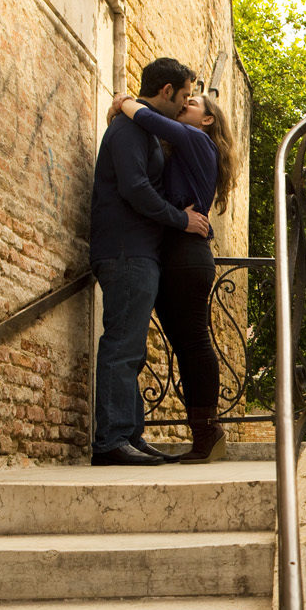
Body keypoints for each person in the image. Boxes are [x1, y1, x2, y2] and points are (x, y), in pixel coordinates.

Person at [88, 57, 210, 467]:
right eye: (185, 96)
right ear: (166, 91)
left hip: (141, 252)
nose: (185, 104)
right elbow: (135, 187)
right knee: (122, 347)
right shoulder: (128, 128)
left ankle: (130, 435)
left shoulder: (142, 127)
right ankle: (111, 441)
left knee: (132, 349)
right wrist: (181, 219)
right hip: (125, 251)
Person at [110, 89, 237, 462]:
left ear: (208, 119)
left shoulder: (197, 139)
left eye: (192, 104)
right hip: (175, 255)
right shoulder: (181, 148)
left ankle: (207, 433)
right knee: (186, 346)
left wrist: (125, 104)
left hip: (187, 256)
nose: (184, 106)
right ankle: (204, 434)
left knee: (194, 344)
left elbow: (151, 119)